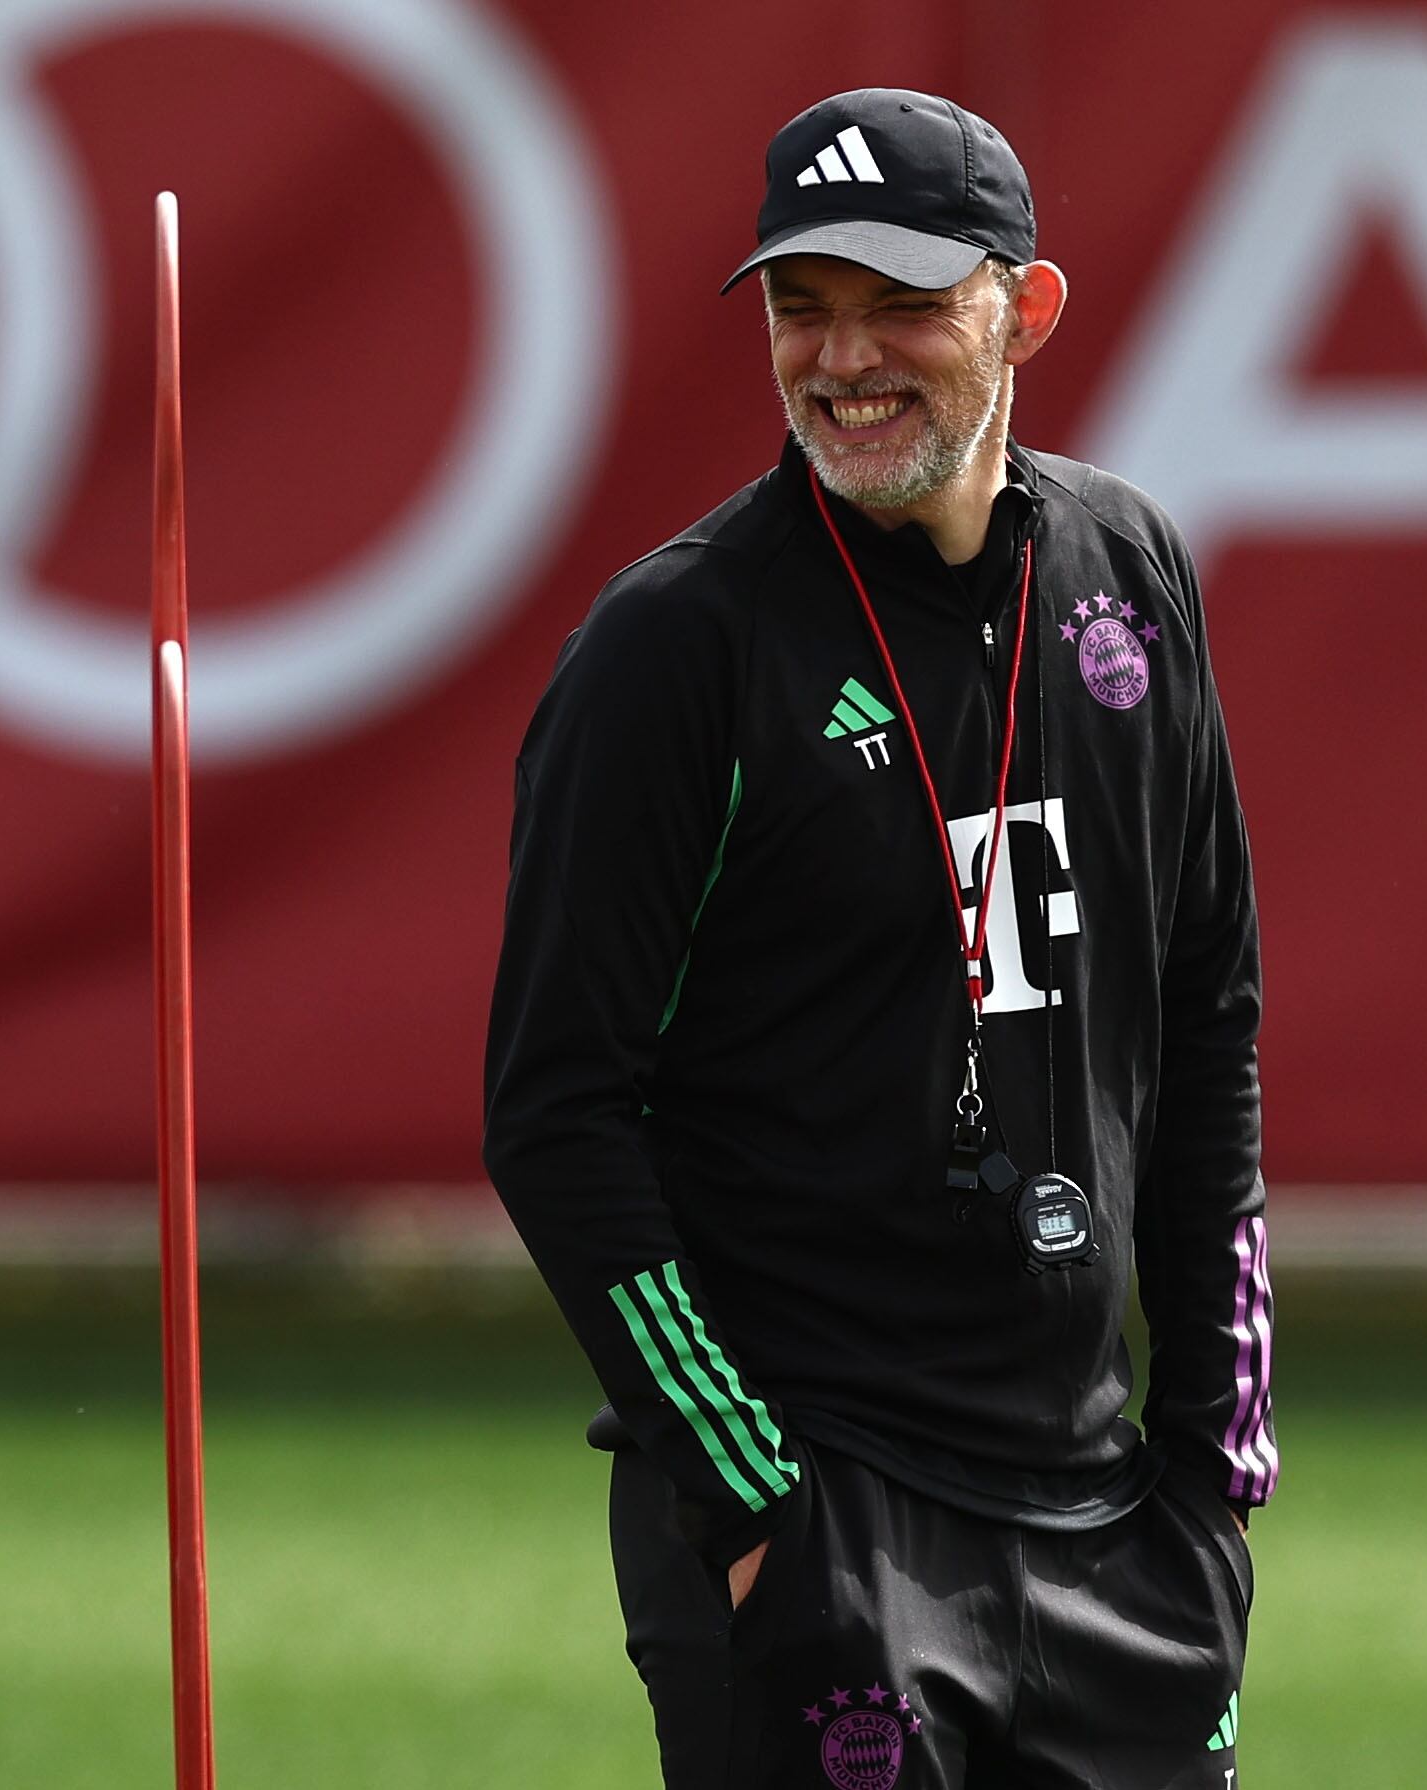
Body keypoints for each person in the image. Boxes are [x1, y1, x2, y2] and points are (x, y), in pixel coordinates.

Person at [482, 87, 1274, 1788]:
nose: (842, 358)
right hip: (823, 1514)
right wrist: (750, 1501)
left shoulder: (1130, 572)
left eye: (900, 302)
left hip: (1113, 1527)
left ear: (1024, 310)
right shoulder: (675, 646)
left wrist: (1218, 1469)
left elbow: (1208, 1019)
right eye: (801, 304)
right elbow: (554, 1109)